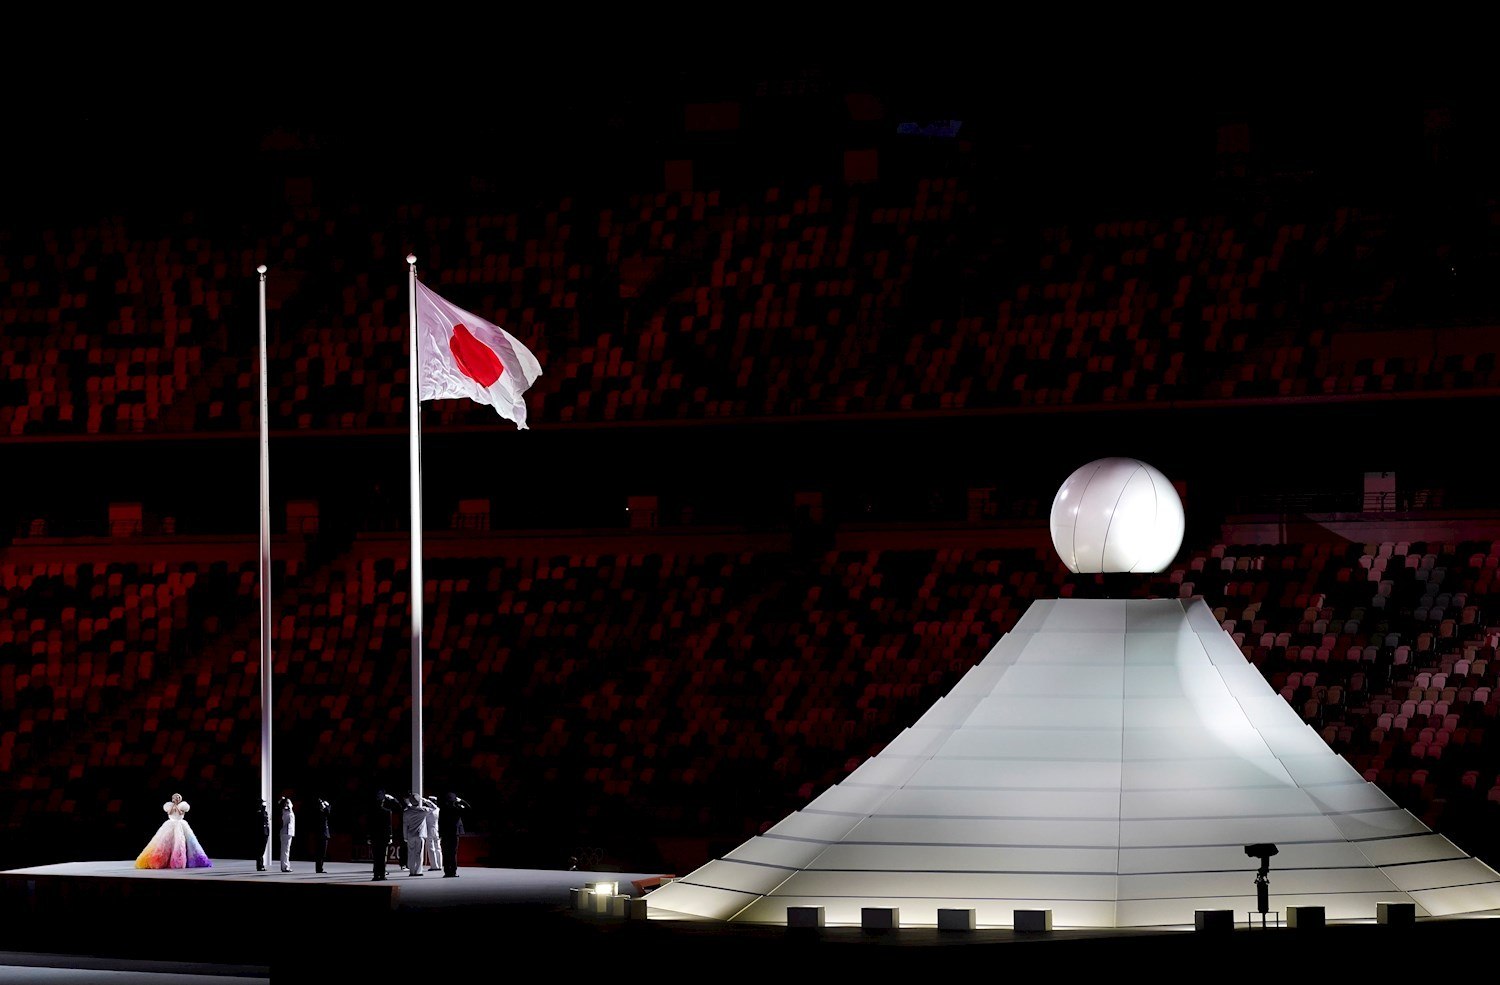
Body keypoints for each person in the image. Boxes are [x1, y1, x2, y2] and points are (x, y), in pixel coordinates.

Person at [135, 793, 212, 869]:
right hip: (170, 824)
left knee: (181, 842)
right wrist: (173, 806)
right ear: (172, 799)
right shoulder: (169, 806)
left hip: (180, 824)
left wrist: (177, 806)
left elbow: (180, 813)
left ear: (180, 798)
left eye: (178, 797)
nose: (177, 798)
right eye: (175, 797)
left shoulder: (183, 806)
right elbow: (169, 813)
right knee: (164, 842)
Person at [369, 790, 402, 881]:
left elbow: (370, 825)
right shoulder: (387, 812)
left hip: (375, 837)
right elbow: (389, 826)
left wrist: (369, 837)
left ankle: (376, 875)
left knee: (376, 857)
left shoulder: (372, 812)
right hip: (384, 837)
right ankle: (382, 875)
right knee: (383, 857)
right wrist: (390, 837)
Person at [400, 793, 434, 876]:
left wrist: (405, 836)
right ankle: (418, 871)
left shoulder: (406, 812)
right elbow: (434, 808)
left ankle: (412, 871)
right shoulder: (423, 810)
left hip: (410, 835)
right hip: (420, 835)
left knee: (411, 854)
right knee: (419, 854)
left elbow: (405, 825)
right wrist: (425, 800)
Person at [438, 793, 469, 878]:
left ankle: (447, 871)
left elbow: (440, 822)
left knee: (445, 853)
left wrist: (439, 833)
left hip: (445, 834)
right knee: (453, 853)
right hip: (454, 833)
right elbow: (468, 808)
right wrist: (461, 801)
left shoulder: (443, 809)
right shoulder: (457, 809)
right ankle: (453, 871)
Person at [422, 793, 442, 872]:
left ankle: (434, 866)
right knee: (438, 848)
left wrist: (423, 800)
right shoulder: (438, 809)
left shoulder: (429, 810)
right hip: (437, 830)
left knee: (431, 848)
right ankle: (439, 865)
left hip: (429, 830)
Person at [312, 796, 332, 874]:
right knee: (319, 852)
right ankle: (319, 869)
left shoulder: (325, 810)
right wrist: (322, 807)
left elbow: (328, 813)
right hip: (319, 834)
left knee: (323, 852)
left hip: (324, 834)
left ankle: (320, 868)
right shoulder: (317, 812)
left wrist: (325, 806)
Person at [277, 795, 296, 872]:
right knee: (285, 850)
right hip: (286, 832)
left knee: (286, 850)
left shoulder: (290, 810)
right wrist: (282, 800)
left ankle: (286, 866)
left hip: (289, 832)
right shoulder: (286, 810)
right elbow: (280, 805)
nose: (289, 803)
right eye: (288, 802)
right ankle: (285, 867)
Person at [253, 798, 271, 871]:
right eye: (262, 803)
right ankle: (260, 866)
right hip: (261, 833)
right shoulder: (259, 812)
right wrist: (263, 809)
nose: (263, 804)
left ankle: (261, 865)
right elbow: (261, 820)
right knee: (260, 850)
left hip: (265, 833)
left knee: (262, 850)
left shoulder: (264, 812)